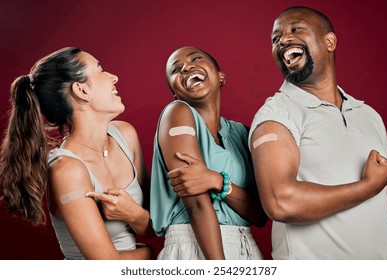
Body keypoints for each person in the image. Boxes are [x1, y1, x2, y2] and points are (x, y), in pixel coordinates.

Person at [249, 6, 387, 259]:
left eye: (296, 29)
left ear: (329, 41)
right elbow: (281, 202)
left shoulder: (368, 115)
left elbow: (382, 202)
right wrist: (368, 186)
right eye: (276, 38)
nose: (283, 40)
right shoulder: (277, 114)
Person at [0, 47, 154, 259]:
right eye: (101, 70)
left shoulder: (125, 136)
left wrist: (134, 214)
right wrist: (149, 253)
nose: (114, 77)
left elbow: (155, 227)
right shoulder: (67, 170)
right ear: (81, 90)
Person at [150, 46, 267, 260]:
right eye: (176, 70)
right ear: (175, 92)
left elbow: (259, 214)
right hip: (194, 246)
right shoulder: (177, 112)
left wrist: (216, 181)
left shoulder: (241, 133)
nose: (187, 67)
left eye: (196, 58)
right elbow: (196, 203)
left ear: (220, 76)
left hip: (246, 247)